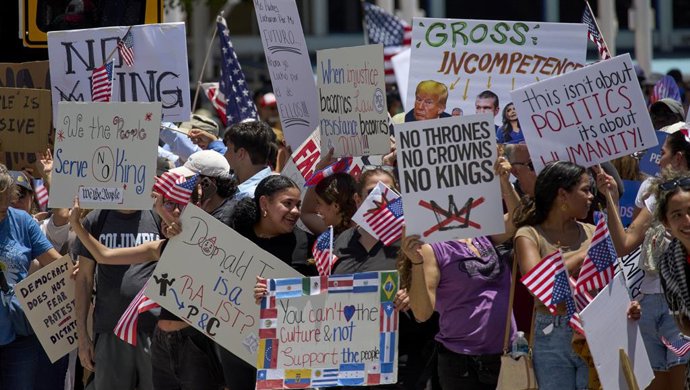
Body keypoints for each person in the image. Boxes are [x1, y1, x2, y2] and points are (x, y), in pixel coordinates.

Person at [399, 156, 520, 389]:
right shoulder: (431, 248)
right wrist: (416, 262)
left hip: (505, 356)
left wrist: (505, 183)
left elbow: (517, 220)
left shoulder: (480, 228)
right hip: (463, 365)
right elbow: (422, 314)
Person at [601, 130, 690, 389]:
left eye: (662, 153)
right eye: (675, 215)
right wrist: (611, 198)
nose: (658, 160)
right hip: (648, 304)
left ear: (679, 157)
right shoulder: (655, 192)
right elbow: (625, 245)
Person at [513, 161, 602, 389]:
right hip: (550, 335)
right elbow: (540, 287)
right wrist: (584, 255)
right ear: (562, 194)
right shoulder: (529, 235)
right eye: (585, 190)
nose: (591, 196)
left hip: (593, 329)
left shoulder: (593, 232)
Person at [227, 175, 316, 390]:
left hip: (287, 354)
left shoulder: (307, 245)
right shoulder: (234, 237)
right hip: (237, 352)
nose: (295, 212)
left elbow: (318, 299)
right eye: (288, 204)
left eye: (298, 205)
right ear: (264, 203)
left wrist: (280, 293)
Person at [0, 164, 62, 389]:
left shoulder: (23, 222)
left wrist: (80, 270)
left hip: (20, 333)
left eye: (8, 202)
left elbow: (57, 264)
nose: (5, 210)